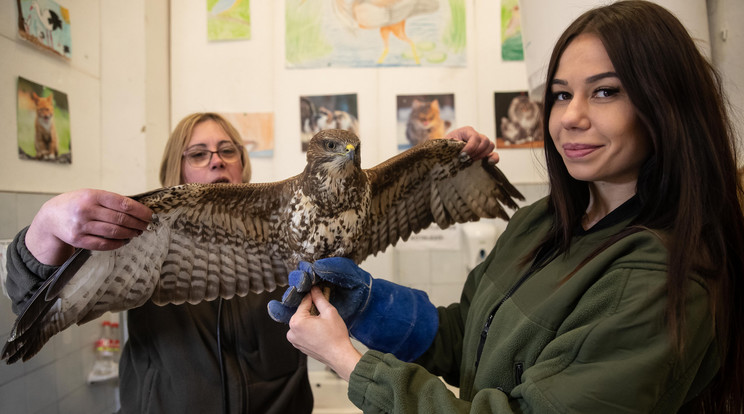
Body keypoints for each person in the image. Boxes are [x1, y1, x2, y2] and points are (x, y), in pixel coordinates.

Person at [269, 1, 744, 413]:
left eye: (605, 91)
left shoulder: (660, 276)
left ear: (666, 104)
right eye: (561, 94)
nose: (572, 116)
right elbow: (463, 339)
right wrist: (370, 305)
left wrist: (349, 363)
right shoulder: (541, 223)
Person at [4, 113, 315, 413]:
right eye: (198, 154)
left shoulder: (288, 228)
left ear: (242, 164)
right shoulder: (146, 229)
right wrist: (46, 226)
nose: (216, 160)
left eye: (227, 150)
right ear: (175, 171)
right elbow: (28, 297)